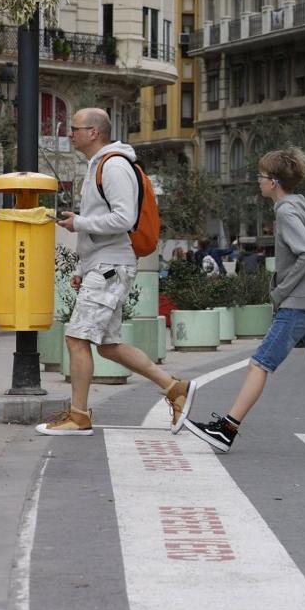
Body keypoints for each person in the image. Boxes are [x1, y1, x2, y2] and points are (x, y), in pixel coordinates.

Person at [183, 148, 305, 455]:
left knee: (259, 364)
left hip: (298, 304)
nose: (258, 181)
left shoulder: (286, 211)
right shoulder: (299, 206)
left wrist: (281, 289)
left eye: (260, 176)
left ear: (273, 181)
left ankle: (227, 430)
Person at [37, 108, 195, 436]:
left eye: (75, 128)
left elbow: (124, 219)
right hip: (104, 265)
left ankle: (79, 416)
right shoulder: (100, 165)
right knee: (107, 344)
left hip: (111, 266)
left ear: (94, 132)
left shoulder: (114, 165)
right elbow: (107, 221)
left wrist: (79, 222)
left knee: (77, 336)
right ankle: (174, 388)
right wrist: (84, 265)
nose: (71, 134)